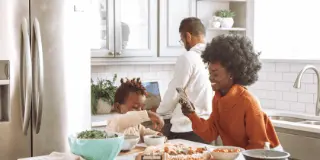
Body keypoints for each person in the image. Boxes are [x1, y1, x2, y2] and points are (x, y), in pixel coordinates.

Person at [179, 34, 283, 150]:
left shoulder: (248, 102)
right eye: (210, 73)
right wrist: (191, 114)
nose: (210, 78)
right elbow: (210, 134)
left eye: (215, 74)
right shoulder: (218, 98)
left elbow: (258, 147)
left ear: (231, 74)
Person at [156, 17, 213, 143]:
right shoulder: (214, 57)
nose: (183, 44)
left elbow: (176, 91)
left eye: (182, 40)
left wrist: (158, 113)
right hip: (207, 127)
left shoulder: (188, 57)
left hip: (186, 128)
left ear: (188, 36)